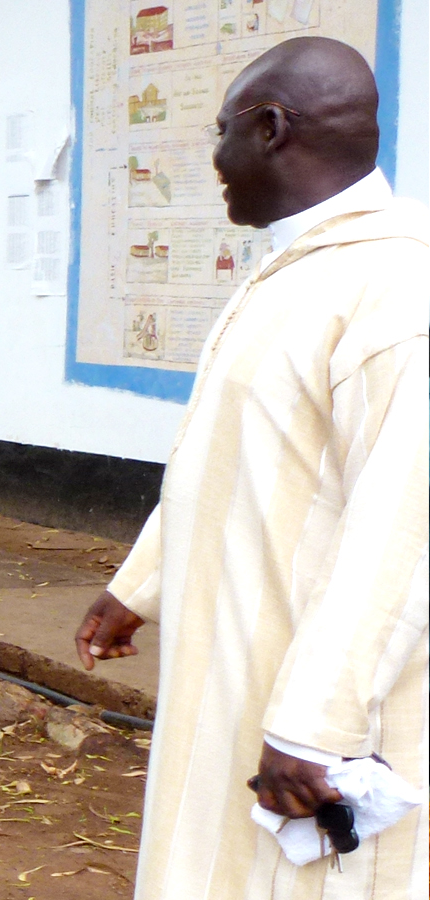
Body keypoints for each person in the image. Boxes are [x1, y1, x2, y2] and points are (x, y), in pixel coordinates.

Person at [75, 37, 427, 898]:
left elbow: (405, 529)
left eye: (220, 131)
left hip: (320, 712)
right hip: (233, 669)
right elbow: (227, 452)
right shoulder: (295, 270)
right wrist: (140, 586)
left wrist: (316, 723)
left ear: (271, 129)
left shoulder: (397, 289)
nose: (214, 158)